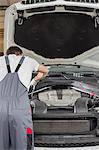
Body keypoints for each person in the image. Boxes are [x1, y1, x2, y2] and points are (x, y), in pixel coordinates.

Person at [0, 46, 48, 150]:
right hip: (20, 107)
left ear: (7, 54)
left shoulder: (0, 60)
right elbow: (45, 70)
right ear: (20, 54)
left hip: (0, 107)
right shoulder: (28, 60)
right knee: (22, 142)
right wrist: (35, 79)